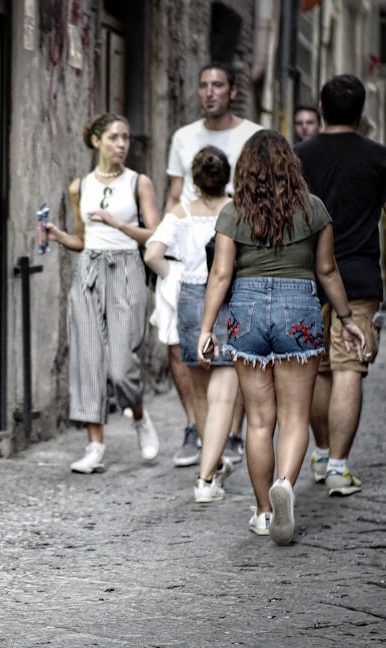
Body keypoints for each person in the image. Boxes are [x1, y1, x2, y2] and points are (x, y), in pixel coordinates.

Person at [198, 130, 367, 546]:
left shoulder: (234, 212)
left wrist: (206, 328)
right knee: (295, 417)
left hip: (247, 310)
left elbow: (221, 274)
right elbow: (327, 271)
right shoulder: (314, 209)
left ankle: (262, 511)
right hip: (300, 310)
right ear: (291, 165)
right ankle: (286, 484)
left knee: (259, 421)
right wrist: (346, 319)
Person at [43, 112, 161, 473]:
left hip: (126, 268)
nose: (122, 144)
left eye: (125, 137)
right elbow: (82, 239)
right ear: (96, 141)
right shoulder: (80, 186)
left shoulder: (139, 183)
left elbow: (155, 233)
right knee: (88, 358)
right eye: (114, 138)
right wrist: (59, 236)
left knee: (121, 366)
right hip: (89, 270)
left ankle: (139, 416)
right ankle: (94, 446)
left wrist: (118, 223)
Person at [164, 62, 261, 467]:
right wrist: (166, 243)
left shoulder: (252, 135)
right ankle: (197, 427)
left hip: (236, 247)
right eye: (203, 84)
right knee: (179, 343)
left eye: (217, 85)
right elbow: (174, 194)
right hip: (187, 254)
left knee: (232, 345)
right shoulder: (183, 137)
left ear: (232, 90)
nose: (209, 92)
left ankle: (234, 432)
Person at [295, 74, 386, 496]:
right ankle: (337, 467)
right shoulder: (378, 158)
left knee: (317, 368)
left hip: (308, 278)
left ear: (321, 107)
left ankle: (321, 452)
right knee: (350, 367)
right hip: (359, 278)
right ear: (362, 112)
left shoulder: (300, 156)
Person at [145, 146, 237, 503]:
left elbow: (152, 254)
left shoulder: (179, 213)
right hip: (227, 298)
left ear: (195, 183)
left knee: (200, 392)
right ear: (225, 178)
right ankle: (206, 477)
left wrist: (175, 274)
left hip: (189, 299)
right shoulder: (235, 210)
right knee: (224, 392)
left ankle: (209, 468)